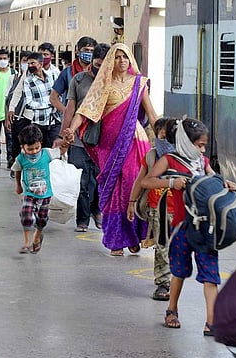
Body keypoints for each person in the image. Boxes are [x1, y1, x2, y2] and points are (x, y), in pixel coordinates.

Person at [140, 117, 236, 335]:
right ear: (185, 141)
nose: (203, 150)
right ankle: (171, 309)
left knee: (210, 275)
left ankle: (212, 321)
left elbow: (213, 179)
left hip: (204, 228)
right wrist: (171, 183)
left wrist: (226, 185)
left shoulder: (202, 163)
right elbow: (148, 181)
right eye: (199, 145)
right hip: (181, 227)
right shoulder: (169, 160)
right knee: (179, 271)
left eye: (204, 145)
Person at [65, 43, 158, 256]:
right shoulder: (103, 84)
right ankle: (117, 240)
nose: (122, 61)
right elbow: (85, 111)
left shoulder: (139, 84)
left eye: (125, 57)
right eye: (117, 57)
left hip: (135, 141)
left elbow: (151, 115)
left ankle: (135, 237)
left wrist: (165, 140)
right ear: (110, 62)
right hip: (109, 144)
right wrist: (71, 130)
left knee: (133, 186)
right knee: (114, 189)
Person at [53, 43, 109, 233]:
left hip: (103, 141)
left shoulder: (113, 82)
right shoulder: (78, 80)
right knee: (82, 181)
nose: (99, 69)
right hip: (79, 140)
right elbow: (70, 109)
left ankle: (97, 210)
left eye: (104, 65)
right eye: (97, 64)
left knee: (99, 179)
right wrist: (64, 135)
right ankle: (82, 219)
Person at [127, 117, 176, 300]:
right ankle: (163, 282)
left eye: (168, 135)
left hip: (180, 210)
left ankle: (173, 279)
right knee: (162, 246)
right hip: (158, 208)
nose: (164, 140)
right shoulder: (151, 156)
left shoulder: (185, 157)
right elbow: (141, 180)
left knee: (176, 248)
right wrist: (132, 202)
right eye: (161, 135)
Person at [12, 124, 72, 254]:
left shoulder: (47, 153)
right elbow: (17, 170)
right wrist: (18, 186)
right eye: (30, 149)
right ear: (23, 147)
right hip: (29, 193)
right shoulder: (21, 159)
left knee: (42, 219)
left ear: (41, 144)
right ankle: (27, 242)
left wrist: (66, 141)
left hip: (45, 195)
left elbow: (62, 151)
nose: (34, 151)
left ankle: (37, 237)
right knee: (26, 214)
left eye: (36, 148)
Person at [49, 36, 97, 112]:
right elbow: (53, 98)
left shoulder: (97, 72)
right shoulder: (67, 73)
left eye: (92, 51)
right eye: (86, 50)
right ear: (77, 52)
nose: (89, 53)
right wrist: (67, 113)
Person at [23, 52, 58, 148]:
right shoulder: (28, 81)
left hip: (54, 120)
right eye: (28, 64)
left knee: (54, 148)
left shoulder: (53, 76)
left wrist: (57, 104)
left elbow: (59, 93)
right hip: (39, 122)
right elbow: (29, 102)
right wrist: (48, 104)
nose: (30, 66)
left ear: (41, 64)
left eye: (33, 63)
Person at [6, 50, 33, 173]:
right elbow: (15, 94)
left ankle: (27, 167)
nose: (27, 64)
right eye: (24, 61)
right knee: (18, 142)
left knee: (31, 142)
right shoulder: (20, 76)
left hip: (32, 115)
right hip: (19, 115)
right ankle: (16, 167)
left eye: (29, 61)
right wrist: (10, 110)